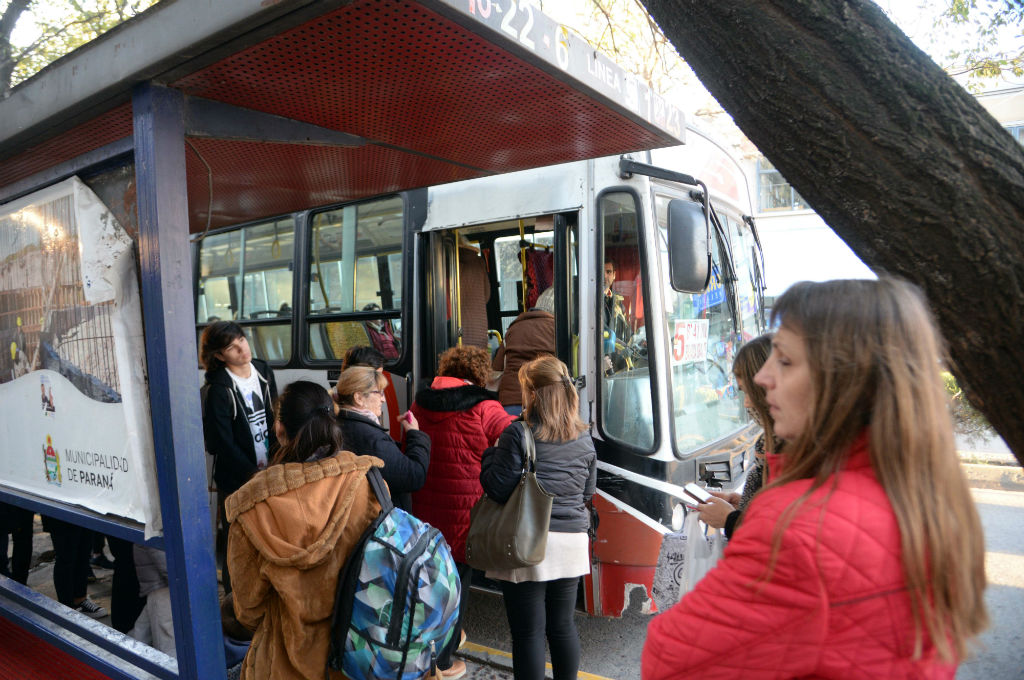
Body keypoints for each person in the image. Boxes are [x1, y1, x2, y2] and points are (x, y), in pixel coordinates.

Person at [642, 278, 988, 679]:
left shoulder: (798, 523)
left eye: (785, 361)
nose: (763, 378)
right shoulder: (923, 496)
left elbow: (669, 658)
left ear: (844, 381)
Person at [226, 381, 382, 680]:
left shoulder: (250, 508)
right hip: (358, 661)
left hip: (284, 665)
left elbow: (248, 612)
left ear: (279, 430)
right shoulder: (369, 483)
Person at [481, 356, 596, 680]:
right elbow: (587, 491)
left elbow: (496, 488)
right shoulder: (584, 436)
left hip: (529, 541)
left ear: (532, 394)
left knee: (529, 632)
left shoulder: (518, 433)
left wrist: (491, 453)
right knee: (562, 625)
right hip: (572, 542)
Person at [411, 345, 517, 679]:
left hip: (425, 510)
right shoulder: (485, 407)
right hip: (465, 514)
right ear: (478, 375)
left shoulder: (420, 403)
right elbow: (513, 436)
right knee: (457, 583)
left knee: (431, 581)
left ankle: (432, 644)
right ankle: (443, 661)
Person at [200, 321, 278, 593]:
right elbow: (223, 443)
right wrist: (251, 473)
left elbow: (275, 418)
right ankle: (234, 600)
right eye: (232, 347)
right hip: (236, 479)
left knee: (269, 536)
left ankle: (263, 595)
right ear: (219, 356)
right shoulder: (219, 389)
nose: (242, 349)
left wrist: (276, 462)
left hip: (270, 470)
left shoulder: (263, 371)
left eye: (242, 340)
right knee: (237, 542)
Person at [693, 334, 780, 539]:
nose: (746, 403)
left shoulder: (792, 451)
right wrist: (743, 504)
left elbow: (778, 536)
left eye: (750, 392)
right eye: (743, 393)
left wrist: (731, 520)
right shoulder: (770, 444)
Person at [334, 366, 429, 512]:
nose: (383, 399)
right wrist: (415, 434)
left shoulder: (340, 423)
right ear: (359, 398)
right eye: (379, 393)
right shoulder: (371, 438)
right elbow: (414, 476)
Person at [492, 287, 556, 415]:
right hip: (544, 402)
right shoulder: (557, 329)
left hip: (510, 403)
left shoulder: (513, 328)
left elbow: (497, 368)